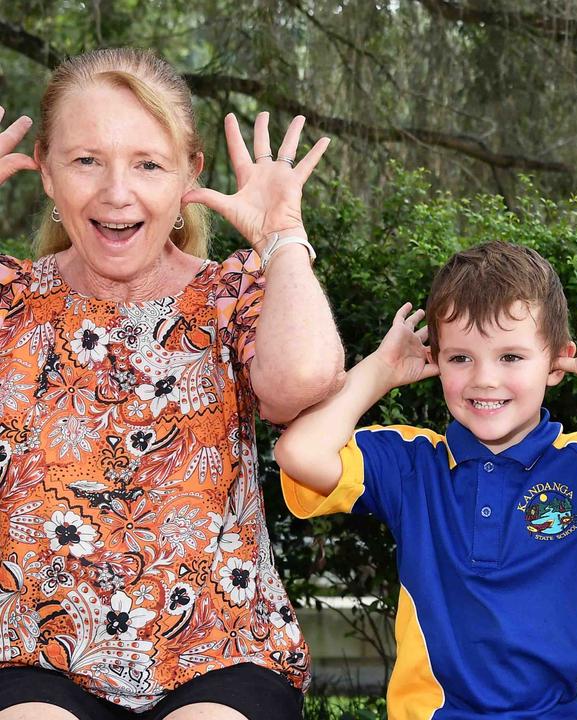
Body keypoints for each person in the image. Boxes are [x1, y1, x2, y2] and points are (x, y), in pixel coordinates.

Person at [0, 48, 343, 720]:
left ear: (189, 174)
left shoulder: (230, 296)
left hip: (223, 656)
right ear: (43, 169)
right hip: (30, 658)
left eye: (147, 164)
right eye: (86, 160)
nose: (117, 192)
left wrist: (282, 235)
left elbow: (301, 379)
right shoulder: (12, 301)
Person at [272, 240, 577, 719]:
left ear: (557, 362)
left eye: (511, 358)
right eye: (460, 358)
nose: (484, 379)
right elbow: (298, 452)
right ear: (435, 359)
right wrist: (379, 369)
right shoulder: (411, 464)